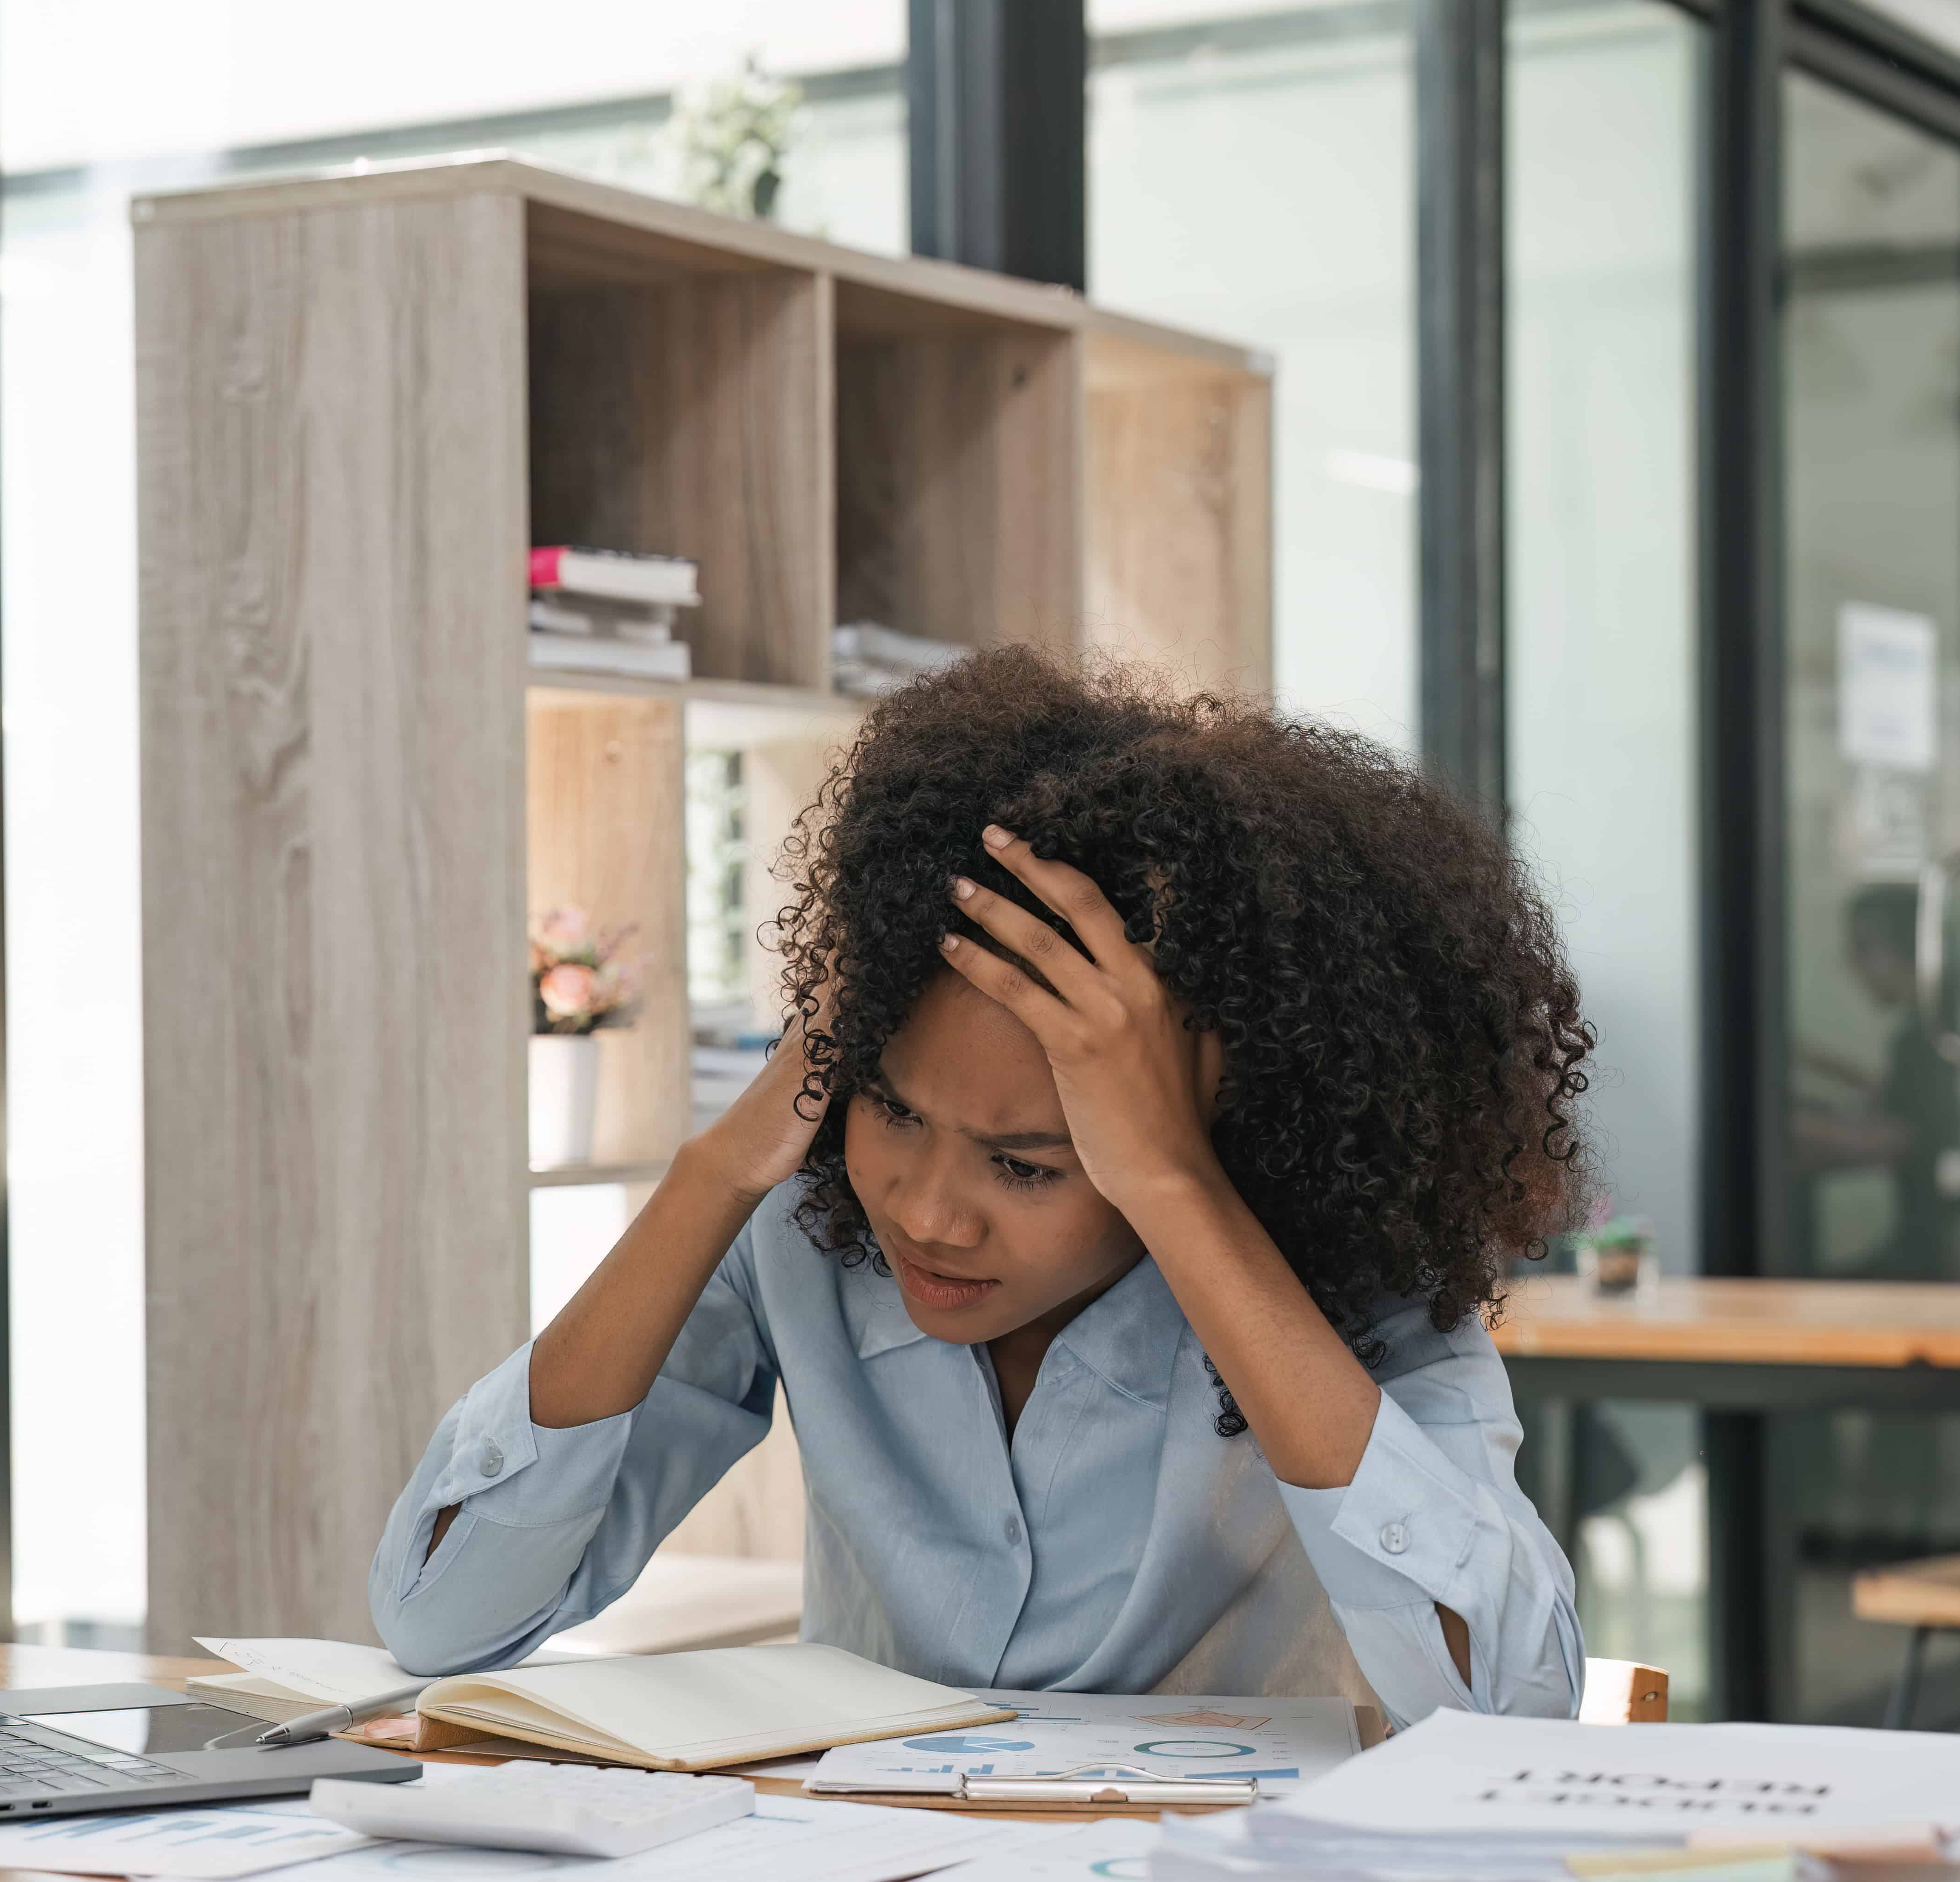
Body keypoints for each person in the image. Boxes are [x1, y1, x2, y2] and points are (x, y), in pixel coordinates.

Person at [371, 648, 1589, 1724]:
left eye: (1027, 1164)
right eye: (892, 1108)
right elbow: (441, 1620)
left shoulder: (1349, 1293)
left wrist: (1177, 1191)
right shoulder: (803, 1237)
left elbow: (1508, 1701)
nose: (927, 1213)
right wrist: (713, 1172)